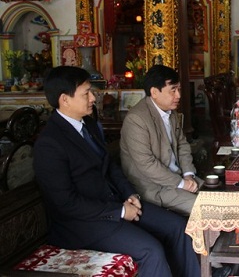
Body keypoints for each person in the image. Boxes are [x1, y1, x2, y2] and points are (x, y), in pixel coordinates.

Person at [33, 66, 200, 277]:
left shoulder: (90, 126)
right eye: (86, 93)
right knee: (151, 250)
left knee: (178, 228)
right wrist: (119, 212)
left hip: (116, 203)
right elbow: (66, 203)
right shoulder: (50, 143)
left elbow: (110, 167)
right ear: (64, 99)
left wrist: (130, 194)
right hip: (83, 223)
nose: (93, 98)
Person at [120, 65, 204, 216]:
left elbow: (182, 145)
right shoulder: (136, 119)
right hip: (154, 187)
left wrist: (188, 174)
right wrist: (181, 183)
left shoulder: (170, 111)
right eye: (173, 90)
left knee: (217, 194)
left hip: (177, 178)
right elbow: (146, 163)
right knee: (205, 208)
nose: (178, 95)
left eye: (178, 89)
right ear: (154, 92)